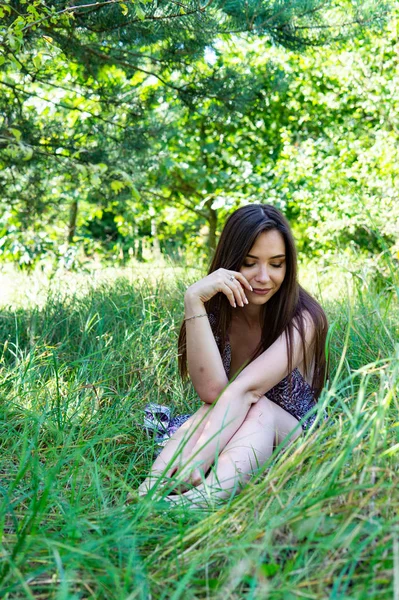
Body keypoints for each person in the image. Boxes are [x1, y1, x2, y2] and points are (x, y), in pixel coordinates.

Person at [139, 204, 328, 505]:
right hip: (236, 419)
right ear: (229, 261)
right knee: (209, 409)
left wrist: (199, 459)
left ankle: (195, 502)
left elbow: (248, 390)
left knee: (259, 407)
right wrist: (193, 302)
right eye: (249, 263)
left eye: (277, 264)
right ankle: (148, 491)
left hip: (292, 431)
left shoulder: (304, 317)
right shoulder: (217, 311)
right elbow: (214, 392)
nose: (264, 277)